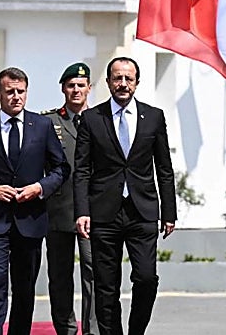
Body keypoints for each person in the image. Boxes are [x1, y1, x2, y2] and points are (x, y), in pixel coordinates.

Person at [0, 67, 69, 335]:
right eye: (10, 92)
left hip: (30, 221)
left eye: (21, 91)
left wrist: (39, 188)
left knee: (24, 289)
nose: (16, 97)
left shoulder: (42, 126)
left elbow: (61, 169)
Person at [74, 57, 176, 335]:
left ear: (137, 83)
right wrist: (82, 211)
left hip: (142, 211)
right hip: (103, 212)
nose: (122, 84)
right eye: (117, 78)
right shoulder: (91, 119)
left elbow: (164, 168)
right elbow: (81, 170)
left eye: (128, 79)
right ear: (108, 82)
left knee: (146, 278)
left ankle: (136, 331)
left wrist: (169, 212)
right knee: (106, 286)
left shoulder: (154, 117)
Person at [42, 62, 99, 335]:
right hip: (59, 209)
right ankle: (65, 328)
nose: (76, 90)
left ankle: (92, 329)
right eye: (71, 85)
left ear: (89, 88)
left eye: (81, 85)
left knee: (94, 270)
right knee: (60, 275)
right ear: (63, 89)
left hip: (92, 209)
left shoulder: (101, 120)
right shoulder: (49, 122)